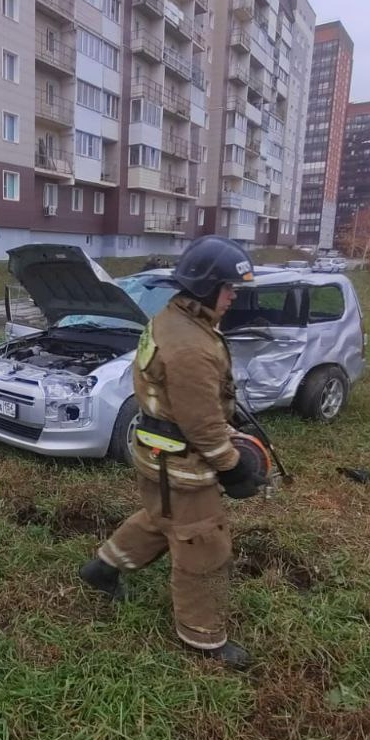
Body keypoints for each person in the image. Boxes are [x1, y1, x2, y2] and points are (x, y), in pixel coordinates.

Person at [78, 237, 266, 668]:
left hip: (155, 452)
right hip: (182, 462)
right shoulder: (191, 347)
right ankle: (203, 639)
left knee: (161, 518)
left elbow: (190, 400)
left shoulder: (173, 318)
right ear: (205, 287)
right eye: (228, 287)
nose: (234, 294)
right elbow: (200, 421)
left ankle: (104, 568)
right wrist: (232, 465)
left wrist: (227, 413)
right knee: (203, 544)